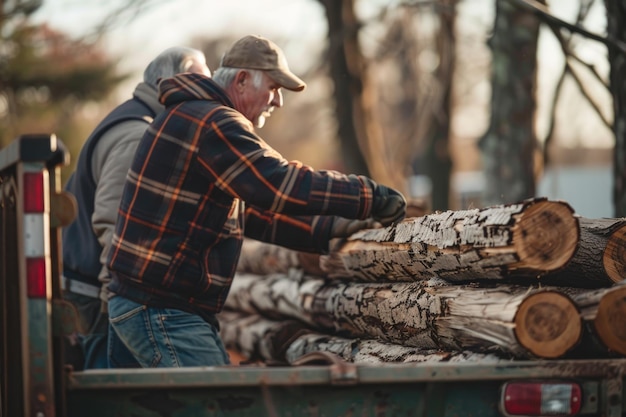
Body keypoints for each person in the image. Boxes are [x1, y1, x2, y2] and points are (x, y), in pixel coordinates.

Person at [106, 34, 407, 368]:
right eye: (274, 88)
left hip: (145, 303)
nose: (277, 102)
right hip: (161, 309)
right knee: (221, 404)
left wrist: (330, 227)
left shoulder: (194, 115)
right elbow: (276, 183)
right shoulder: (213, 121)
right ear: (242, 79)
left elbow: (253, 214)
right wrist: (367, 196)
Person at [62, 46, 211, 370]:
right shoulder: (138, 134)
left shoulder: (138, 119)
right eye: (198, 83)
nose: (206, 95)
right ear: (165, 84)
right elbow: (111, 222)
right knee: (108, 395)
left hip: (92, 284)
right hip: (97, 293)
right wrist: (112, 298)